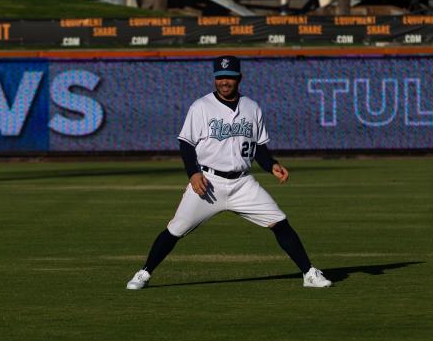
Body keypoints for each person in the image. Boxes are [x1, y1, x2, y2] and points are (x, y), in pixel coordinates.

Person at [126, 55, 332, 290]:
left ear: (239, 78)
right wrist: (193, 173)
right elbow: (186, 144)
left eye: (230, 77)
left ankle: (309, 273)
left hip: (243, 183)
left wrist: (271, 164)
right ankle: (144, 273)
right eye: (221, 77)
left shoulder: (252, 107)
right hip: (208, 182)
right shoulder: (201, 107)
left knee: (280, 223)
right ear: (215, 79)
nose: (225, 82)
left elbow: (258, 146)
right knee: (176, 229)